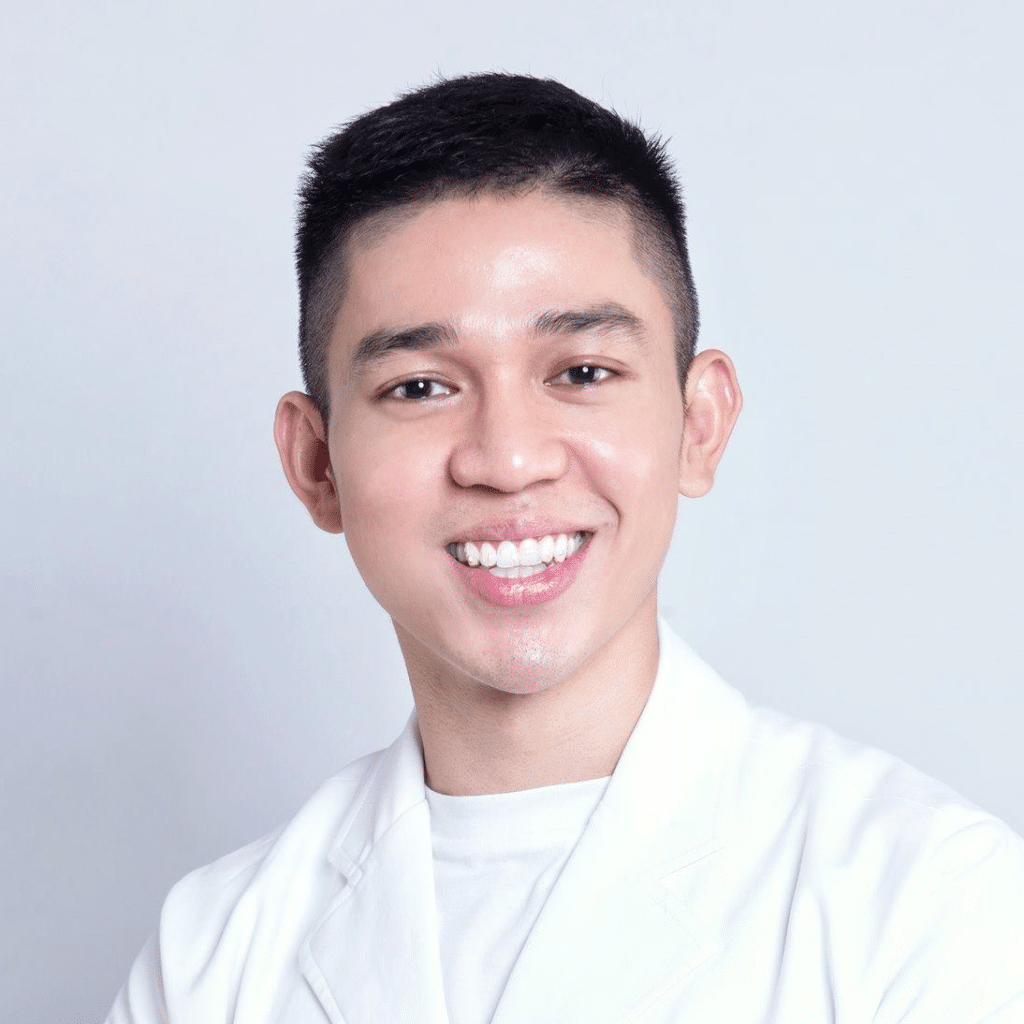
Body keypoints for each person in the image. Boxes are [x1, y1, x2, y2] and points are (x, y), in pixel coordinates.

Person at [106, 73, 1024, 1024]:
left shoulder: (932, 907)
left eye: (583, 372)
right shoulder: (209, 956)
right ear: (315, 463)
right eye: (420, 387)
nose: (508, 461)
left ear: (700, 424)